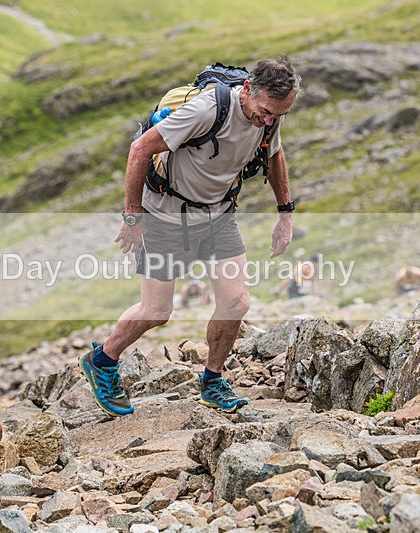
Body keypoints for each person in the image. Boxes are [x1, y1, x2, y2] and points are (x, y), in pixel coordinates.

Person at [79, 58, 300, 415]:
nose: (271, 120)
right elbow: (140, 150)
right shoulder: (206, 110)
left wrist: (285, 213)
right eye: (266, 112)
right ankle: (102, 361)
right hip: (166, 214)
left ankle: (213, 381)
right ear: (247, 90)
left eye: (280, 114)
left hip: (218, 215)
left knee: (236, 302)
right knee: (156, 310)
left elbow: (275, 155)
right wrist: (133, 217)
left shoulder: (269, 118)